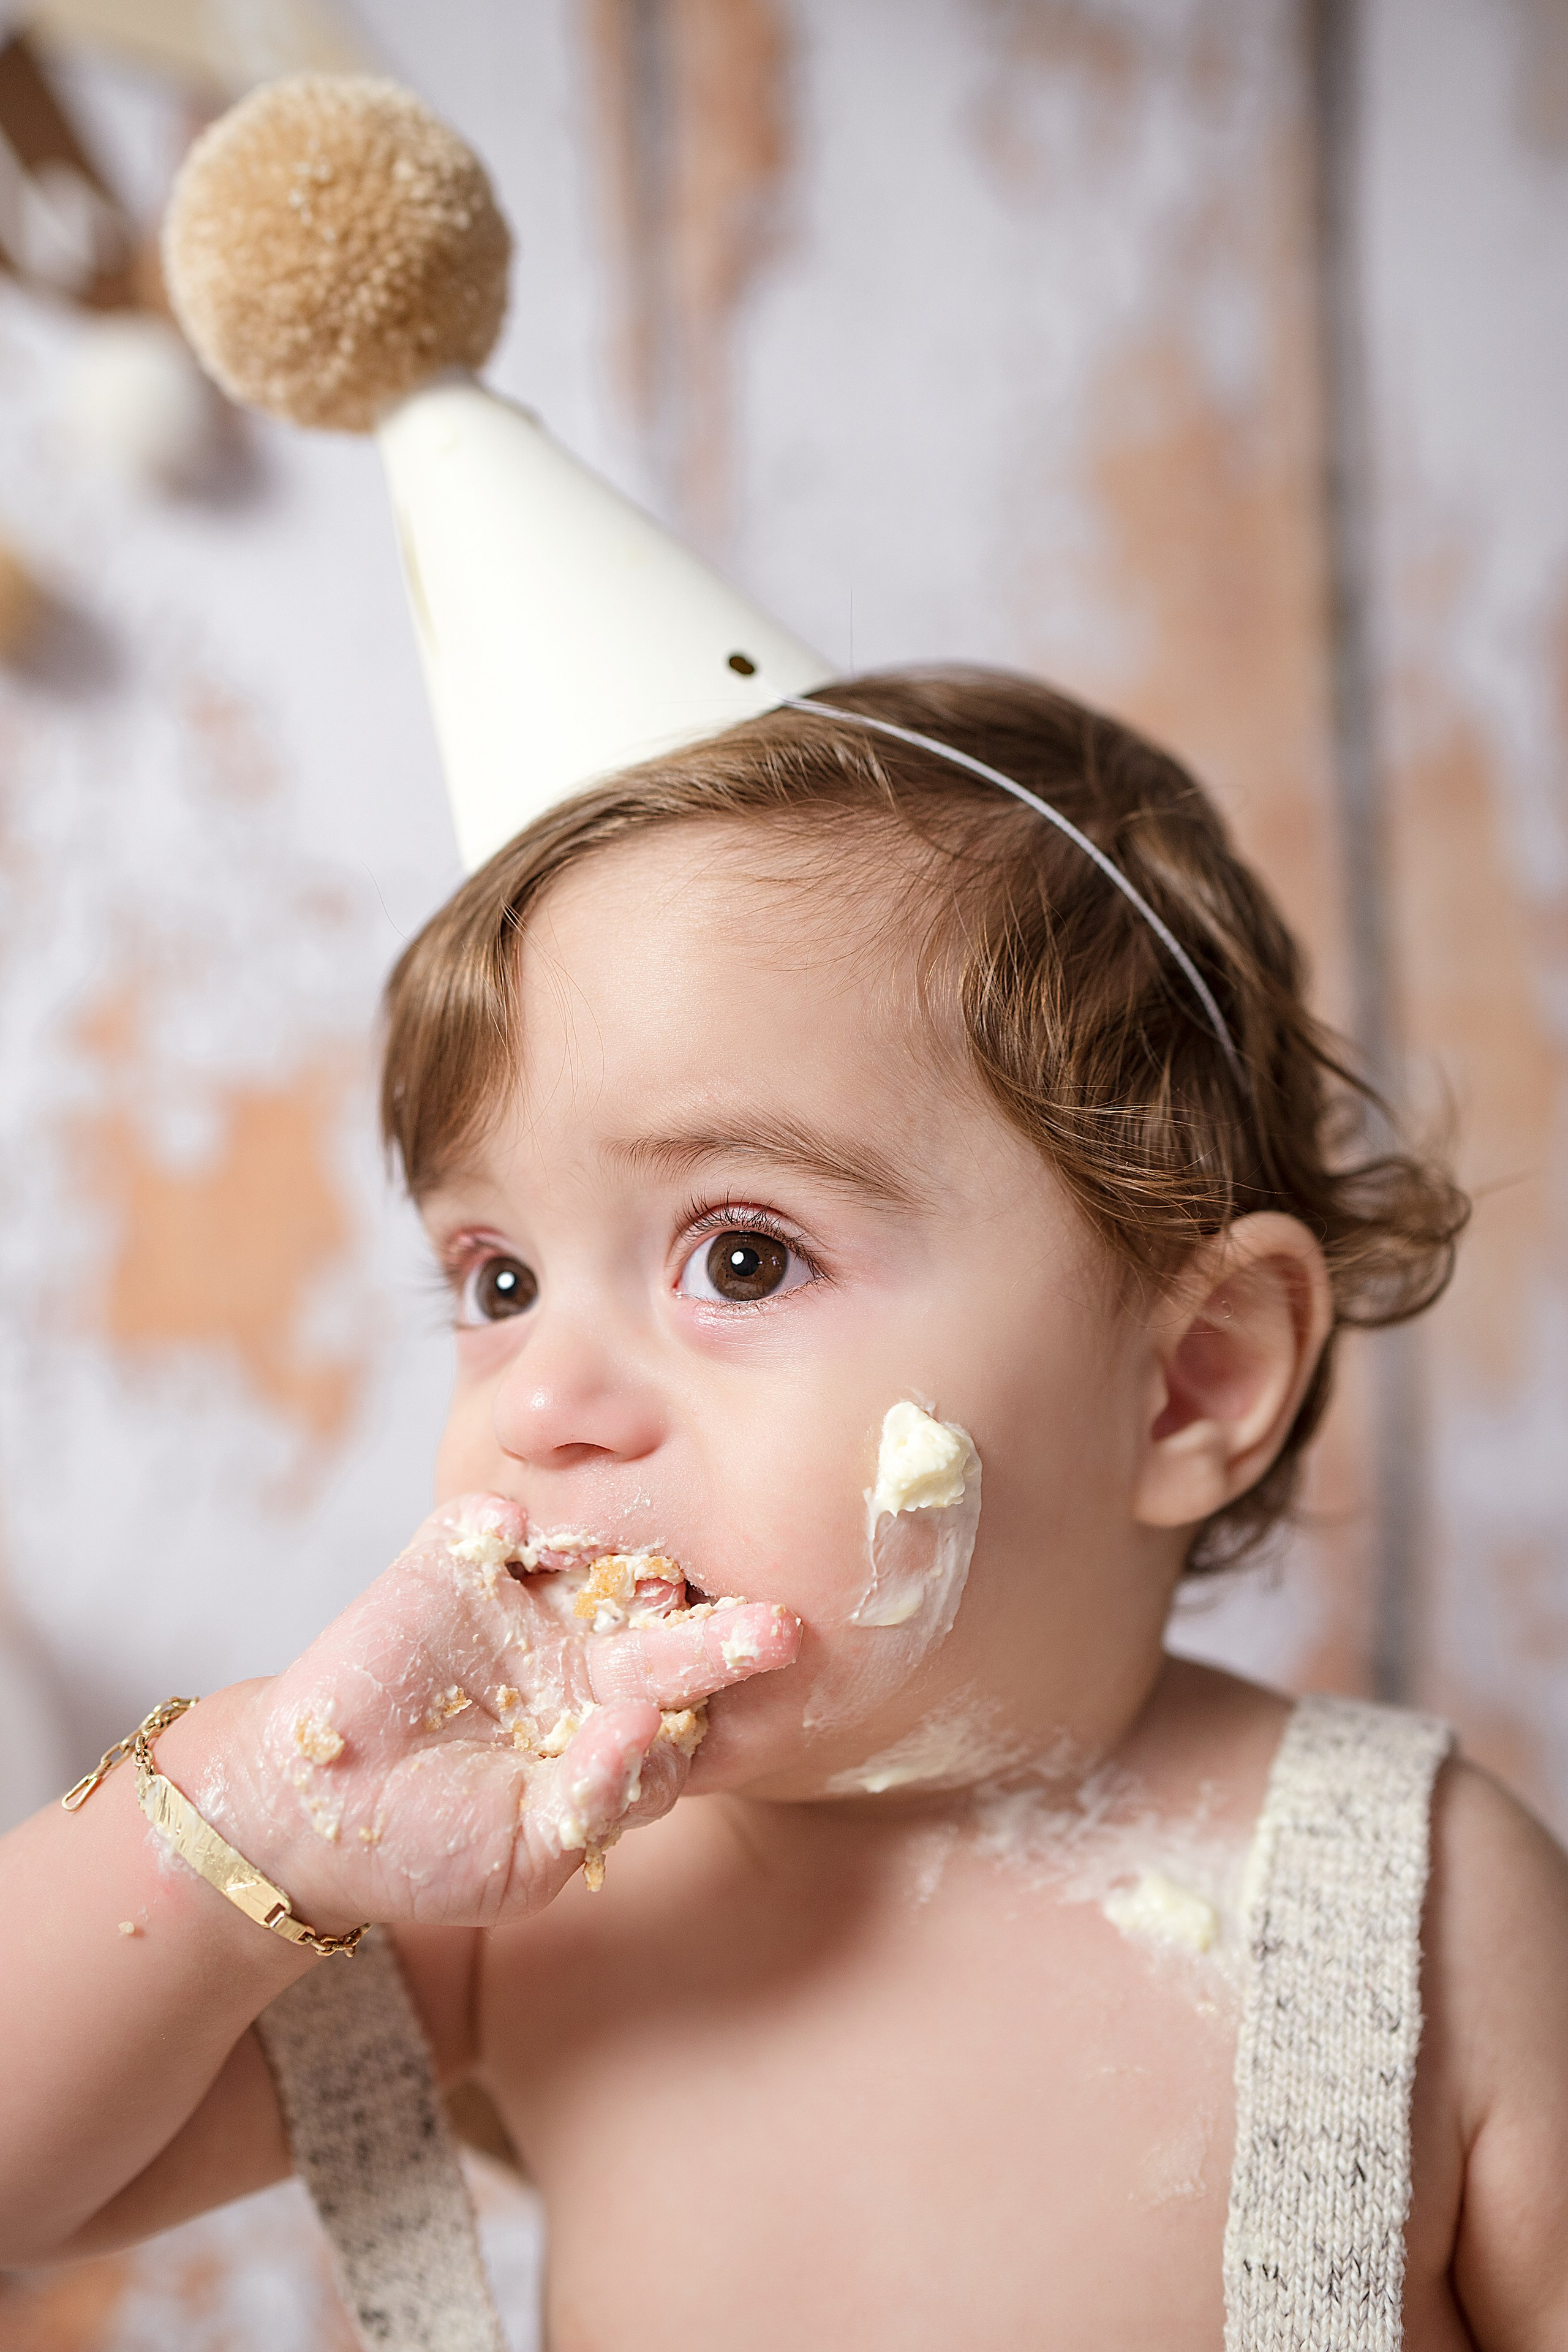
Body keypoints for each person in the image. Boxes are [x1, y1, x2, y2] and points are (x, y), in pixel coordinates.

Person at [5, 73, 1567, 2352]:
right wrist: (266, 1802)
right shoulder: (521, 1909)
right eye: (495, 1275)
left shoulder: (1402, 1906)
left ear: (1196, 1377)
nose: (543, 1394)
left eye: (742, 1255)